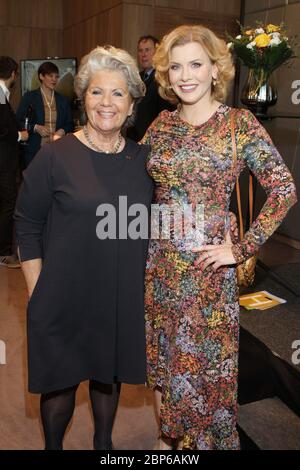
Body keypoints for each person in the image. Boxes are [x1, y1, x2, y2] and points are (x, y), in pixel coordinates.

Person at [142, 25, 297, 450]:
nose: (184, 75)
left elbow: (284, 190)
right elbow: (133, 184)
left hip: (207, 270)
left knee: (205, 366)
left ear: (215, 69)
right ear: (165, 74)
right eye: (175, 66)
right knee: (166, 358)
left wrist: (241, 248)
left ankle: (201, 443)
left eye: (195, 64)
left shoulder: (238, 124)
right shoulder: (161, 126)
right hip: (158, 267)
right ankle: (168, 441)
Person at [14, 46, 153, 450]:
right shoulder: (55, 156)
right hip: (62, 293)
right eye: (96, 92)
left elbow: (164, 220)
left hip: (116, 295)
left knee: (105, 375)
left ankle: (103, 446)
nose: (106, 103)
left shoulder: (145, 161)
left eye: (117, 94)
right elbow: (26, 224)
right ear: (83, 99)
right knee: (59, 384)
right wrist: (38, 289)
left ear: (131, 106)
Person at [16, 61, 74, 168]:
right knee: (35, 182)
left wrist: (62, 131)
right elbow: (18, 121)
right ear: (41, 76)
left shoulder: (62, 99)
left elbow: (70, 123)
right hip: (34, 150)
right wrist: (36, 127)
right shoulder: (29, 97)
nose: (54, 79)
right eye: (50, 76)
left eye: (56, 76)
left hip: (58, 149)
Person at [0, 56, 28, 268]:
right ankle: (3, 254)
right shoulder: (0, 95)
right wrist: (20, 136)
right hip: (3, 162)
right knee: (7, 204)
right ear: (12, 74)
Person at [127, 35, 174, 142]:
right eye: (140, 51)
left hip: (153, 141)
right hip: (133, 140)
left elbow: (164, 116)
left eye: (147, 50)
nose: (143, 54)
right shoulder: (136, 77)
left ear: (157, 52)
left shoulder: (163, 79)